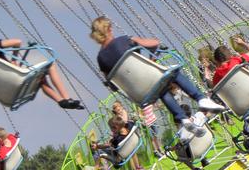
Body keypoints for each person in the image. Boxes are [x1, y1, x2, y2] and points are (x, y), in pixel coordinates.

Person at [90, 16, 224, 124]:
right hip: (150, 78)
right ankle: (201, 98)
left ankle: (183, 120)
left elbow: (113, 85)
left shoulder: (100, 59)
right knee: (173, 73)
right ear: (109, 29)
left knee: (162, 89)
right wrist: (151, 61)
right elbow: (154, 43)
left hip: (139, 93)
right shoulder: (124, 40)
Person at [0, 26, 83, 110]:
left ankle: (61, 101)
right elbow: (17, 42)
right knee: (50, 66)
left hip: (6, 95)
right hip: (16, 79)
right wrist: (14, 60)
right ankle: (66, 98)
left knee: (40, 80)